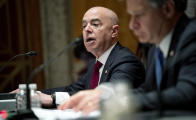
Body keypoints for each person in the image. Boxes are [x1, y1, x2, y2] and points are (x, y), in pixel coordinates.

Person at [58, 0, 196, 114]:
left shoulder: (191, 36)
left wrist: (119, 102)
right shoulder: (155, 47)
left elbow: (188, 94)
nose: (132, 25)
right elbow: (148, 90)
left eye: (139, 15)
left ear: (167, 9)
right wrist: (107, 94)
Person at [37, 7, 145, 106]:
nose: (87, 29)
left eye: (95, 24)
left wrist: (53, 98)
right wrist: (35, 94)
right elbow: (74, 89)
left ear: (114, 31)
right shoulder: (97, 64)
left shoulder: (126, 61)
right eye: (84, 26)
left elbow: (106, 96)